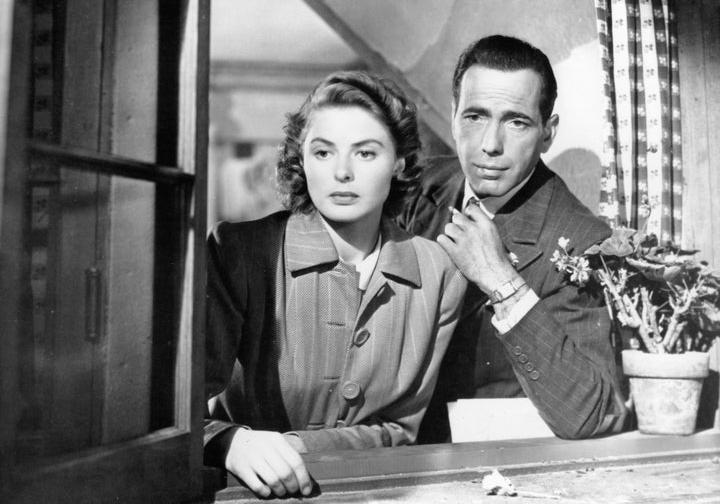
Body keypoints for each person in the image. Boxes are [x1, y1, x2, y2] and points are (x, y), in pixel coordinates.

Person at [204, 71, 467, 498]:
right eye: (323, 152)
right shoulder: (240, 251)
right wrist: (231, 443)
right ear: (300, 160)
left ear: (399, 162)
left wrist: (297, 446)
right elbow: (176, 420)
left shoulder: (438, 271)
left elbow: (401, 429)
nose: (342, 172)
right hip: (247, 494)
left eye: (365, 153)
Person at [399, 35, 629, 443]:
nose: (490, 145)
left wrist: (502, 281)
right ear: (453, 116)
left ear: (547, 133)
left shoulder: (583, 240)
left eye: (516, 121)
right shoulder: (420, 184)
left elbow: (595, 412)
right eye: (475, 116)